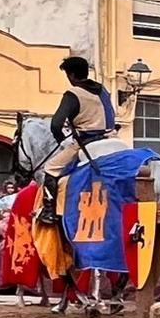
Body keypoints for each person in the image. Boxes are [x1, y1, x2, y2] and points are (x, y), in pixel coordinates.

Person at [37, 54, 119, 222]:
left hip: (88, 141)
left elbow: (55, 124)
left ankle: (48, 211)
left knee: (50, 168)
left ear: (72, 75)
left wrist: (62, 140)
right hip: (113, 137)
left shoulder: (73, 93)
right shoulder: (103, 90)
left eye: (68, 75)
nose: (69, 79)